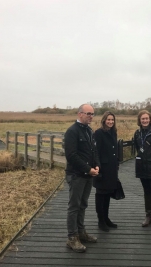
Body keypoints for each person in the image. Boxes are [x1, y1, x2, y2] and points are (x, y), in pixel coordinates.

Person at [64, 104, 100, 253]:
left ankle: (81, 232)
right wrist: (87, 169)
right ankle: (72, 238)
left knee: (83, 205)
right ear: (80, 114)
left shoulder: (89, 131)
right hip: (77, 175)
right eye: (88, 113)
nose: (91, 116)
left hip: (88, 175)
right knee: (74, 206)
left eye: (92, 114)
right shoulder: (72, 131)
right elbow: (71, 155)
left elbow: (94, 150)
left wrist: (96, 165)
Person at [93, 111, 119, 232]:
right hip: (102, 168)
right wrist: (97, 167)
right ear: (104, 120)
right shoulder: (98, 133)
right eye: (108, 120)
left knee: (108, 194)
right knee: (101, 194)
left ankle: (106, 218)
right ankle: (101, 220)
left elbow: (115, 150)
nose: (110, 122)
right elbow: (95, 151)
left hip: (111, 169)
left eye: (112, 120)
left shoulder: (113, 132)